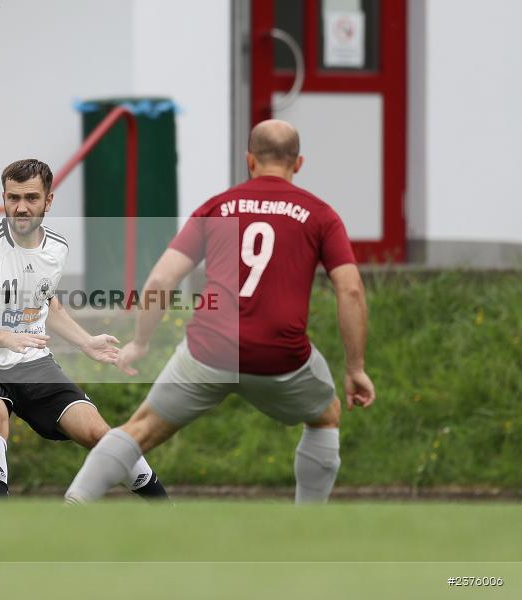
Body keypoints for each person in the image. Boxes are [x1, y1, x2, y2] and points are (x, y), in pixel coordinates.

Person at [66, 120, 376, 504]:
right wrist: (355, 369)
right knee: (326, 414)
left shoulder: (217, 207)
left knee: (140, 429)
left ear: (250, 161)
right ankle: (307, 525)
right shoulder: (319, 214)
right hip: (279, 357)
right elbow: (351, 290)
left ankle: (73, 505)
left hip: (210, 350)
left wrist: (141, 342)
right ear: (298, 164)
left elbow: (160, 281)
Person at [0, 159, 168, 500]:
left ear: (48, 201)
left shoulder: (56, 248)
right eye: (13, 198)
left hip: (33, 363)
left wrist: (86, 342)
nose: (21, 207)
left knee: (98, 432)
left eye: (31, 197)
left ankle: (166, 508)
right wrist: (2, 337)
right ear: (3, 198)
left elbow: (47, 303)